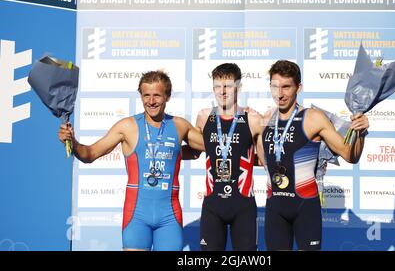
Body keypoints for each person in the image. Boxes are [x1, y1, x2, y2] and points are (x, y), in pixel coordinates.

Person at [58, 71, 204, 251]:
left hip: (169, 217)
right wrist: (73, 142)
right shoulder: (127, 126)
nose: (151, 101)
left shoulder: (180, 125)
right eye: (146, 95)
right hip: (137, 216)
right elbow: (90, 154)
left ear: (167, 96)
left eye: (157, 95)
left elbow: (212, 147)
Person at [257, 60, 369, 251]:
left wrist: (360, 133)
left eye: (286, 87)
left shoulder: (313, 117)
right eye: (275, 87)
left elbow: (351, 156)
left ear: (298, 88)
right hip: (275, 208)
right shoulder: (265, 119)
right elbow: (261, 160)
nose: (280, 94)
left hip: (305, 207)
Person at [186, 63, 263, 251]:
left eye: (228, 86)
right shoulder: (204, 117)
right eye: (217, 86)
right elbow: (195, 152)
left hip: (243, 205)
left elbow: (268, 157)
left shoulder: (252, 118)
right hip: (213, 205)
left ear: (239, 87)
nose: (222, 92)